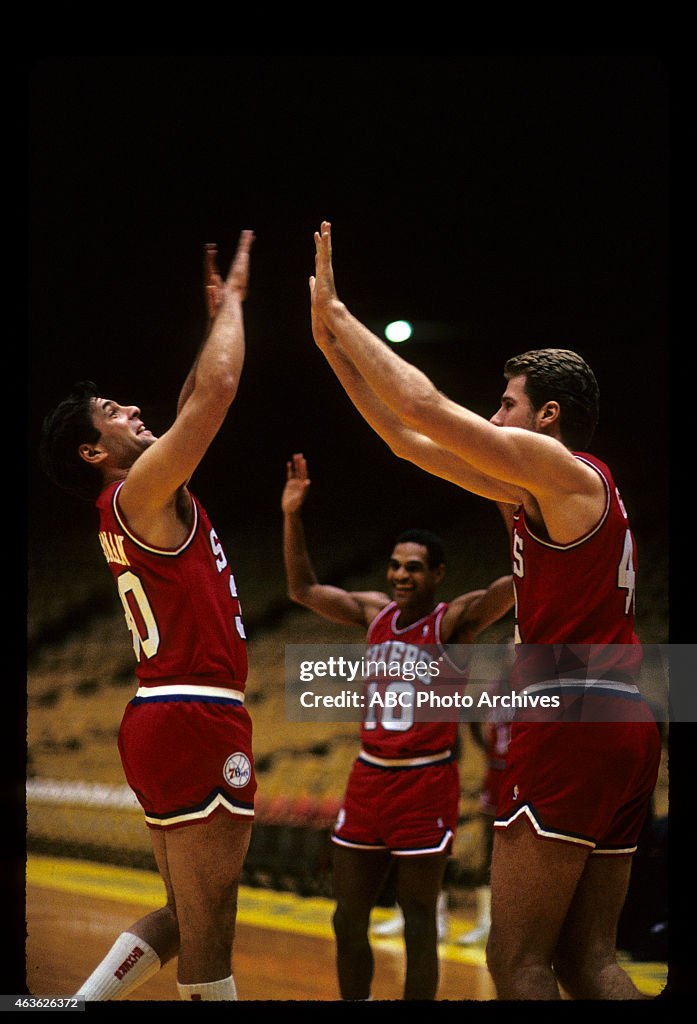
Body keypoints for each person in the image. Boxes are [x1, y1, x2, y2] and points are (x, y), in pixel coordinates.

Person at [306, 220, 662, 1000]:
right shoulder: (545, 489)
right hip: (619, 715)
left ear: (548, 416)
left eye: (504, 405)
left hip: (567, 711)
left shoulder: (559, 469)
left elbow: (425, 403)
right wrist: (332, 353)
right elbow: (407, 438)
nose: (491, 419)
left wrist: (340, 318)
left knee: (518, 963)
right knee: (587, 961)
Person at [38, 231, 255, 1002]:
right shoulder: (139, 493)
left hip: (164, 713)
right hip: (195, 711)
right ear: (95, 452)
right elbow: (217, 392)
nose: (133, 408)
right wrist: (230, 307)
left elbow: (198, 391)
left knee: (182, 911)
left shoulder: (134, 498)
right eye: (112, 411)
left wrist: (209, 327)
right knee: (210, 928)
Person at [282, 451, 513, 1000]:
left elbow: (516, 583)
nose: (400, 575)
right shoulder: (372, 612)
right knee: (347, 918)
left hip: (425, 781)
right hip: (368, 779)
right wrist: (292, 515)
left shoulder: (454, 622)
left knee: (417, 922)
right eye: (395, 565)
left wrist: (516, 511)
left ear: (437, 574)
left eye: (413, 567)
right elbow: (303, 591)